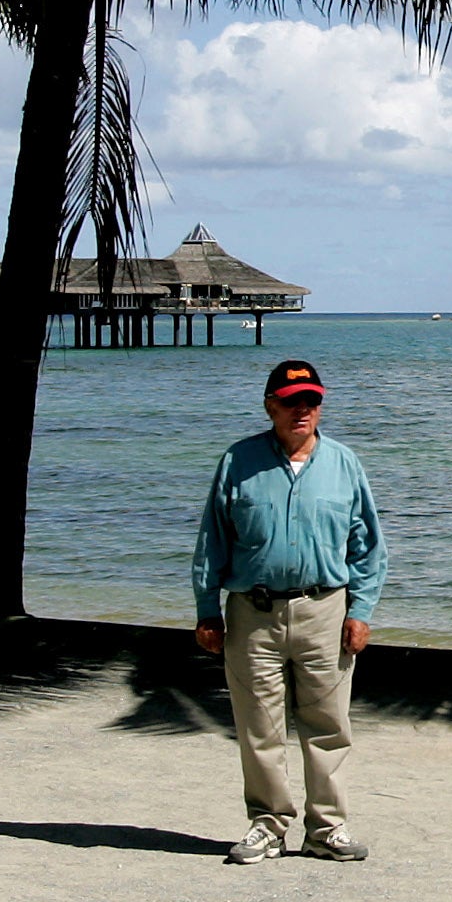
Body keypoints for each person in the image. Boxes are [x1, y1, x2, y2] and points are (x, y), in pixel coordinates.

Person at [192, 357, 388, 865]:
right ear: (270, 405)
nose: (303, 409)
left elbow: (368, 546)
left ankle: (327, 828)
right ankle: (267, 825)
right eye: (291, 400)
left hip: (326, 610)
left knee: (328, 725)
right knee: (259, 727)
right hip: (252, 615)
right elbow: (212, 540)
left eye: (312, 401)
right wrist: (206, 610)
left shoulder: (345, 464)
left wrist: (361, 610)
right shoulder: (238, 462)